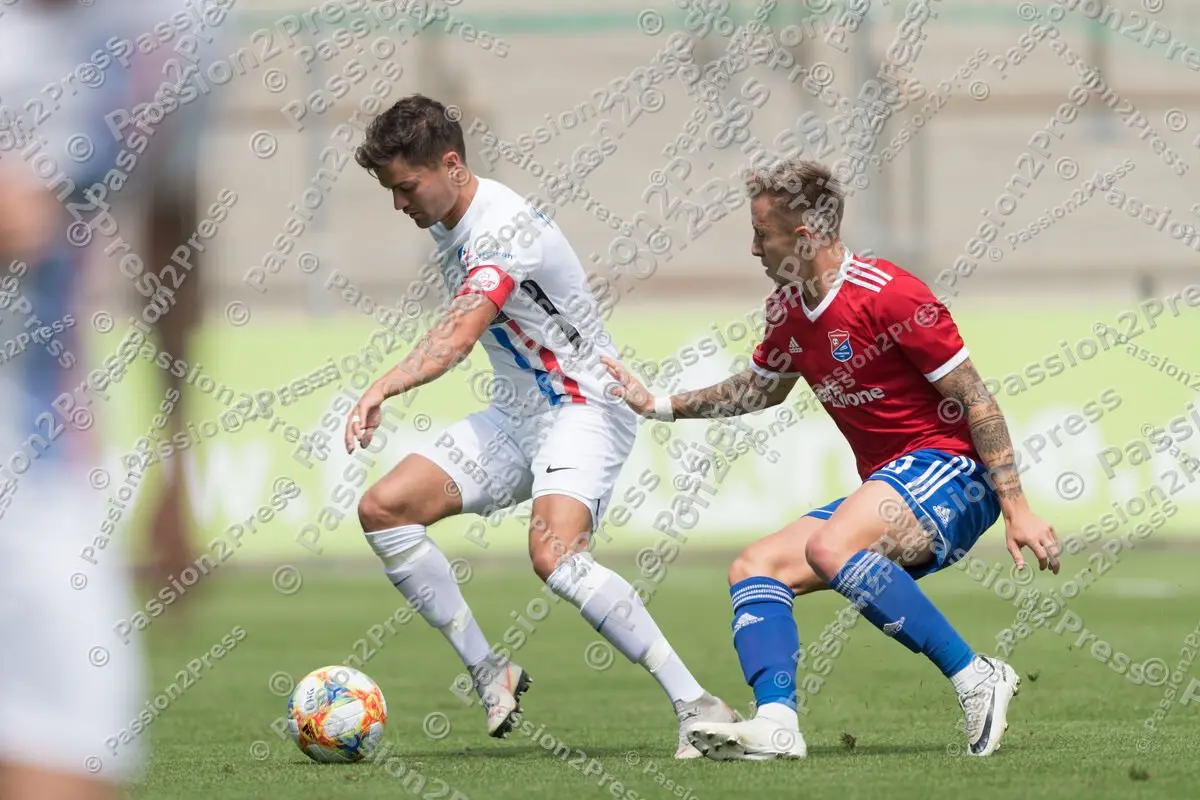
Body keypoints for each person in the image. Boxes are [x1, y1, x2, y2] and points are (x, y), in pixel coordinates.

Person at [603, 158, 1061, 761]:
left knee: (830, 546)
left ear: (804, 237)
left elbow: (976, 397)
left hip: (953, 473)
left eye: (762, 234)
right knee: (754, 567)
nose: (753, 248)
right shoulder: (788, 309)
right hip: (892, 484)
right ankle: (777, 723)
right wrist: (658, 405)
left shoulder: (891, 295)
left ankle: (977, 677)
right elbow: (760, 390)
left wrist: (1017, 507)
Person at [343, 94, 736, 758]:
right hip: (517, 413)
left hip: (584, 405)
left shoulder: (503, 228)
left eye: (406, 187)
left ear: (451, 165)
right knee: (384, 510)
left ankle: (698, 704)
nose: (399, 204)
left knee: (554, 556)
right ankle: (488, 669)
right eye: (391, 191)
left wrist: (385, 383)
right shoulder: (448, 220)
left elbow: (459, 335)